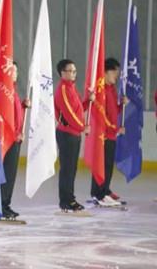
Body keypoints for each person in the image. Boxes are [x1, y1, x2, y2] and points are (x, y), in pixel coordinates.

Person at [54, 58, 92, 212]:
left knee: (72, 169)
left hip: (74, 134)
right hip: (67, 134)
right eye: (70, 71)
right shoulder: (63, 89)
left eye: (74, 71)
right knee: (67, 169)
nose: (73, 74)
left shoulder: (72, 88)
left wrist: (88, 101)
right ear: (62, 73)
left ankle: (70, 198)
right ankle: (66, 201)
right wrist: (83, 127)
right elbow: (69, 114)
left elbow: (77, 109)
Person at [91, 58, 128, 207]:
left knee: (108, 165)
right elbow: (101, 115)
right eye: (115, 71)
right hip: (104, 134)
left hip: (111, 133)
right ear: (106, 72)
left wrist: (121, 105)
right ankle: (99, 193)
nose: (117, 75)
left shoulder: (111, 89)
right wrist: (114, 129)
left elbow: (112, 112)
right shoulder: (102, 90)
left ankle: (104, 190)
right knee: (102, 165)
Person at [0, 61, 30, 219]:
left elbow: (16, 116)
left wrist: (23, 106)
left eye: (17, 70)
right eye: (13, 70)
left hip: (16, 139)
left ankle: (6, 204)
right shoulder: (4, 91)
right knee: (5, 173)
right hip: (8, 140)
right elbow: (4, 118)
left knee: (10, 174)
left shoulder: (13, 91)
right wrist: (14, 134)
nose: (15, 73)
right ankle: (1, 205)